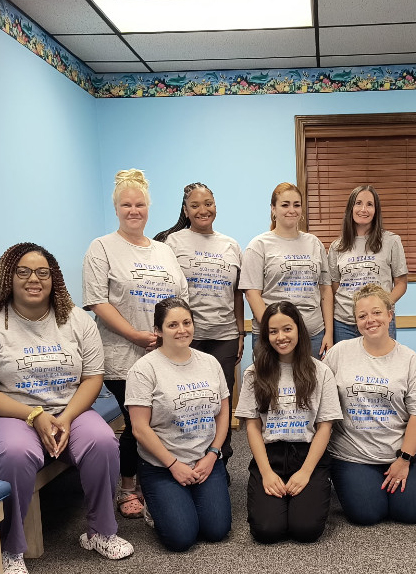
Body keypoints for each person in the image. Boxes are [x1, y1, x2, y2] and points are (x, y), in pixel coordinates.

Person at [0, 242, 134, 574]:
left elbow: (92, 378)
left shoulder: (76, 320)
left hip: (66, 409)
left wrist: (67, 417)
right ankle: (11, 550)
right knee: (15, 453)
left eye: (42, 272)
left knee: (102, 440)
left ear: (54, 278)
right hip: (7, 415)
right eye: (22, 271)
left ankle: (101, 532)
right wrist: (34, 416)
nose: (33, 279)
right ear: (7, 277)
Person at [83, 169, 189, 520]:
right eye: (126, 204)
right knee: (136, 422)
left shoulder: (163, 250)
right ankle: (127, 487)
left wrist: (171, 337)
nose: (133, 210)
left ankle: (153, 480)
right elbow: (98, 301)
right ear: (116, 208)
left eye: (139, 204)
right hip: (123, 356)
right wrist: (136, 335)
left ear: (148, 208)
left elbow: (180, 298)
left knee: (162, 420)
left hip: (165, 354)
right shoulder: (102, 248)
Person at [324, 284, 416, 525]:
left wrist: (404, 459)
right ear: (355, 321)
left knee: (411, 512)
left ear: (390, 315)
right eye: (362, 316)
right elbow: (321, 398)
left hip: (403, 449)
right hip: (353, 453)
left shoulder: (409, 359)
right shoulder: (339, 353)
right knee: (367, 514)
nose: (370, 320)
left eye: (377, 313)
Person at [126, 298, 231, 553]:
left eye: (187, 322)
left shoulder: (209, 363)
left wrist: (213, 454)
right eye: (172, 325)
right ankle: (155, 504)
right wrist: (173, 465)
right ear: (158, 331)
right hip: (162, 465)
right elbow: (139, 429)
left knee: (217, 531)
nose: (182, 330)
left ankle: (186, 498)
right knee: (181, 538)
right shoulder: (144, 369)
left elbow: (224, 413)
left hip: (206, 460)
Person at [235, 302, 343, 543]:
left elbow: (325, 426)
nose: (280, 337)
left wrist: (305, 473)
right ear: (265, 335)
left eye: (287, 329)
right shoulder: (254, 373)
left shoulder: (321, 372)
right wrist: (266, 472)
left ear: (299, 330)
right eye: (273, 331)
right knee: (266, 531)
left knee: (306, 530)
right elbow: (252, 426)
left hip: (308, 455)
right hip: (270, 454)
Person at [158, 182, 243, 460]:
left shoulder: (230, 245)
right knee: (187, 401)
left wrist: (241, 333)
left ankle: (221, 457)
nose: (202, 210)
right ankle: (183, 456)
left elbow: (237, 294)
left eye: (208, 203)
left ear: (215, 206)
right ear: (185, 209)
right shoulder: (173, 242)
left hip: (224, 336)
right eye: (195, 205)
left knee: (221, 400)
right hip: (186, 337)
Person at [240, 182, 333, 358]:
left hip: (313, 336)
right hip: (272, 337)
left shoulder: (314, 243)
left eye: (296, 205)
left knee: (310, 385)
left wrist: (328, 333)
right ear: (273, 209)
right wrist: (273, 330)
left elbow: (325, 290)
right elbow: (252, 293)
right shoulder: (259, 245)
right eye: (285, 204)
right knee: (271, 386)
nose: (292, 210)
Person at [329, 184, 408, 342]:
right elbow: (335, 286)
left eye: (369, 204)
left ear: (376, 210)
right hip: (344, 323)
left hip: (379, 321)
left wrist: (382, 307)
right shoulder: (336, 247)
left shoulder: (391, 241)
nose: (363, 209)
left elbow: (401, 284)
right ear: (350, 208)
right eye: (358, 203)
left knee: (383, 366)